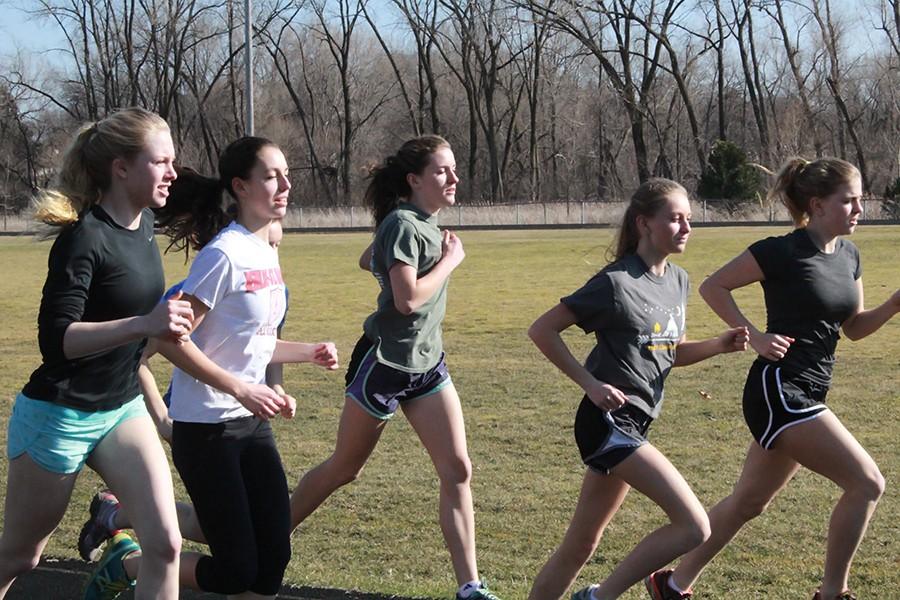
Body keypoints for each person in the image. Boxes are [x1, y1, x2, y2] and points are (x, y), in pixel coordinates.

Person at [80, 138, 338, 599]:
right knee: (237, 569)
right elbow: (167, 340)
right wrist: (239, 389)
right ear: (240, 186)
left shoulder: (266, 253)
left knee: (273, 558)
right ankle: (128, 563)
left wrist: (307, 352)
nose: (285, 184)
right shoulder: (224, 255)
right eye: (271, 176)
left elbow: (250, 343)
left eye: (286, 174)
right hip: (208, 432)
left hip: (249, 426)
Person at [646, 158, 897, 600]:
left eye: (861, 199)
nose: (860, 208)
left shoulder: (849, 255)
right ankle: (832, 593)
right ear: (818, 205)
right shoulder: (781, 251)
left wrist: (894, 304)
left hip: (812, 388)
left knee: (748, 503)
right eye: (849, 201)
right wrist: (756, 336)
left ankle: (672, 583)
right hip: (779, 390)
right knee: (867, 482)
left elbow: (853, 328)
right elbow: (714, 286)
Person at [288, 135, 500, 600]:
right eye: (443, 171)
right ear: (415, 179)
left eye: (454, 169)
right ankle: (270, 537)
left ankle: (470, 587)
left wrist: (389, 258)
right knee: (344, 468)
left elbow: (369, 258)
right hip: (383, 364)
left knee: (458, 469)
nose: (454, 178)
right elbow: (406, 301)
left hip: (426, 365)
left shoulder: (414, 223)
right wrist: (450, 261)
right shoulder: (405, 223)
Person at [0, 107, 194, 600]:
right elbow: (57, 339)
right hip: (58, 415)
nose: (172, 172)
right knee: (21, 557)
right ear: (121, 167)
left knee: (167, 543)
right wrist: (145, 324)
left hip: (120, 407)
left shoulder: (147, 221)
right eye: (161, 161)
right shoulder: (84, 237)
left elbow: (212, 195)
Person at [526, 178, 749, 600]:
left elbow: (668, 352)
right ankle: (600, 597)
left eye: (689, 219)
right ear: (645, 223)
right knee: (694, 526)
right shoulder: (614, 282)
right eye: (675, 218)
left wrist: (717, 346)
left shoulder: (678, 280)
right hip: (607, 422)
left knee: (582, 543)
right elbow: (543, 330)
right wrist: (590, 384)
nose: (685, 227)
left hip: (637, 422)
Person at [76, 219, 294, 559]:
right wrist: (162, 418)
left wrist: (277, 388)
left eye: (276, 246)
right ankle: (122, 550)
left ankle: (112, 516)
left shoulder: (274, 285)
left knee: (237, 532)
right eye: (268, 244)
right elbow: (139, 356)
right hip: (198, 418)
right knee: (226, 534)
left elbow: (266, 346)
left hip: (244, 418)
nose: (271, 254)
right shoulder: (190, 293)